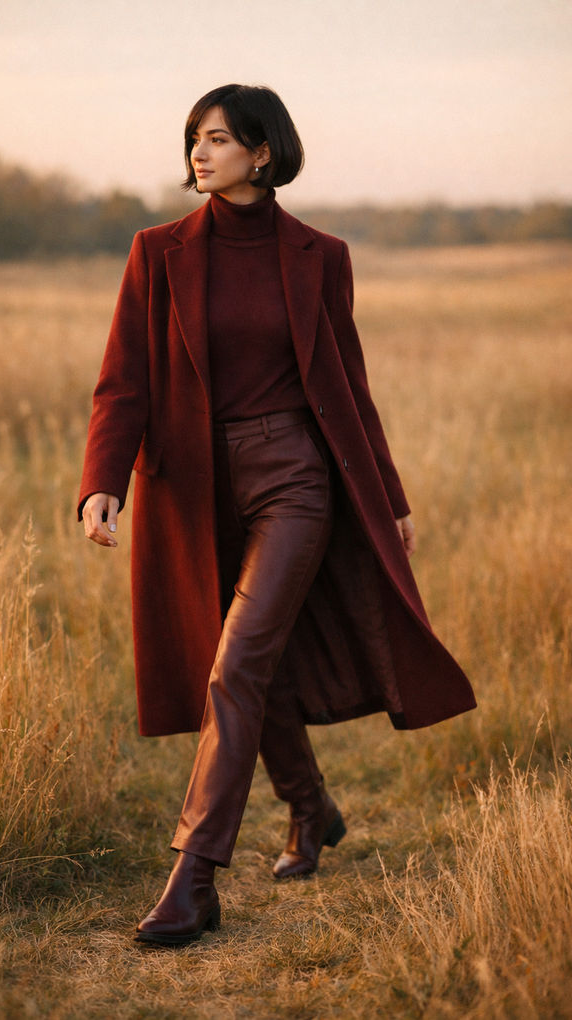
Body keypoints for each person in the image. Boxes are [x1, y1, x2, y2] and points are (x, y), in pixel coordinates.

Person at [79, 84, 476, 948]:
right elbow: (124, 378)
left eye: (219, 138)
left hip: (295, 476)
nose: (200, 152)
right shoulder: (157, 252)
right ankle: (310, 806)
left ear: (263, 153)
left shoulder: (320, 256)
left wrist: (389, 497)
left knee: (238, 664)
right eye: (195, 137)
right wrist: (103, 479)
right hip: (193, 487)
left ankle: (193, 877)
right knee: (261, 661)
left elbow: (348, 387)